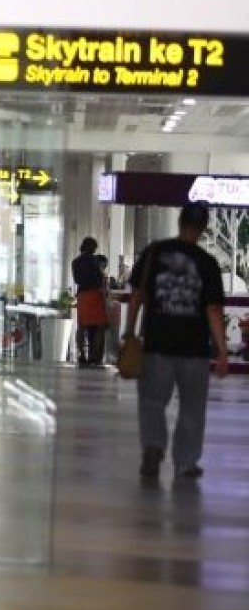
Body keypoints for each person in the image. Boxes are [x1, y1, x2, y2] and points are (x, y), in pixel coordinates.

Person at [125, 202, 229, 480]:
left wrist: (129, 332)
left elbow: (137, 296)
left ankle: (153, 447)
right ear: (203, 228)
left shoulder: (154, 252)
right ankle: (185, 463)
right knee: (193, 407)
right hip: (194, 350)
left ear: (180, 220)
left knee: (152, 401)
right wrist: (222, 352)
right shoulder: (207, 264)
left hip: (157, 344)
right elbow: (213, 310)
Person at [72, 237, 108, 366]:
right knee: (99, 326)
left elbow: (76, 280)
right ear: (92, 247)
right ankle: (93, 356)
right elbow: (100, 280)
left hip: (82, 295)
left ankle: (81, 354)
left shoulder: (75, 262)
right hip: (94, 295)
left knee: (81, 326)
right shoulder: (95, 261)